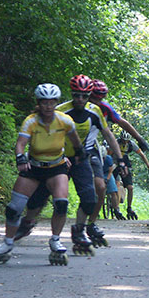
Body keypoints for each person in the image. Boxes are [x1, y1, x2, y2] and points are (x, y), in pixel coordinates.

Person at [15, 74, 127, 252]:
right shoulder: (60, 110)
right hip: (57, 159)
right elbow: (41, 132)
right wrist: (27, 154)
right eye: (76, 95)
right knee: (40, 198)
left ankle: (79, 231)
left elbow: (108, 135)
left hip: (80, 158)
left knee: (90, 199)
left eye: (84, 96)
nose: (80, 99)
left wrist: (121, 160)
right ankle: (27, 222)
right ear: (71, 94)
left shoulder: (95, 112)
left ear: (89, 95)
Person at [0, 83, 84, 266]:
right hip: (35, 167)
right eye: (44, 102)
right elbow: (21, 143)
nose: (48, 106)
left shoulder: (65, 120)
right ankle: (7, 243)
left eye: (52, 102)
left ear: (56, 102)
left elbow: (75, 141)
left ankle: (55, 240)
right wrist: (21, 158)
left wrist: (78, 154)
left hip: (56, 167)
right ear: (39, 103)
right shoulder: (31, 121)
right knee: (14, 208)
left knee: (61, 204)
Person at [88, 79, 149, 225]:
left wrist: (139, 139)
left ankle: (94, 221)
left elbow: (121, 122)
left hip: (90, 148)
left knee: (107, 187)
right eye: (94, 97)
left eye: (101, 97)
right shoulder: (80, 105)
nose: (98, 100)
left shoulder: (104, 108)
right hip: (68, 145)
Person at [116, 131, 149, 220]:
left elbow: (141, 154)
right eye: (123, 140)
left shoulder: (131, 144)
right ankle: (116, 208)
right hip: (115, 163)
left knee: (130, 188)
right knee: (116, 184)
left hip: (125, 164)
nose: (125, 142)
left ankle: (129, 208)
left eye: (126, 141)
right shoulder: (116, 142)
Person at [104, 144, 124, 220]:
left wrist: (107, 179)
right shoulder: (95, 158)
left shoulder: (108, 158)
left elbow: (110, 171)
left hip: (108, 173)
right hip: (99, 173)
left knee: (114, 191)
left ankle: (116, 209)